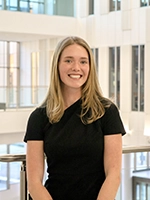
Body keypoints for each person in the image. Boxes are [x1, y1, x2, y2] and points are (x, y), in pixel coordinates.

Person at [24, 36, 126, 200]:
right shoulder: (39, 117)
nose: (76, 67)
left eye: (83, 62)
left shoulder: (107, 112)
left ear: (90, 67)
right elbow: (34, 182)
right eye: (69, 61)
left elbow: (113, 175)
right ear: (57, 65)